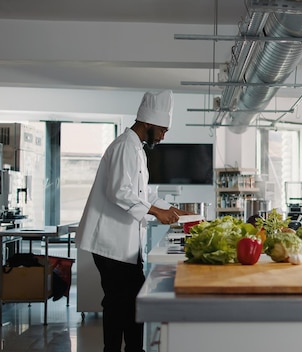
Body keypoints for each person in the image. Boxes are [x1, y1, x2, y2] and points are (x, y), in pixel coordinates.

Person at [75, 89, 194, 352]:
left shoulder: (136, 149)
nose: (163, 137)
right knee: (120, 303)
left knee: (128, 301)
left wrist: (172, 209)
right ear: (148, 123)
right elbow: (119, 191)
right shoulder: (124, 146)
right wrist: (155, 212)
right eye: (162, 130)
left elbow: (143, 193)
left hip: (123, 245)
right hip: (110, 242)